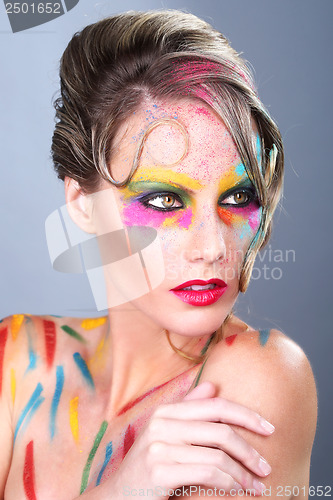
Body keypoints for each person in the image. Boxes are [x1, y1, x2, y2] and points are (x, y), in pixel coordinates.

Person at [0, 9, 317, 500]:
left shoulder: (260, 376)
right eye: (165, 201)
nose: (213, 247)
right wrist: (119, 491)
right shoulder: (19, 359)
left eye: (237, 198)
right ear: (82, 205)